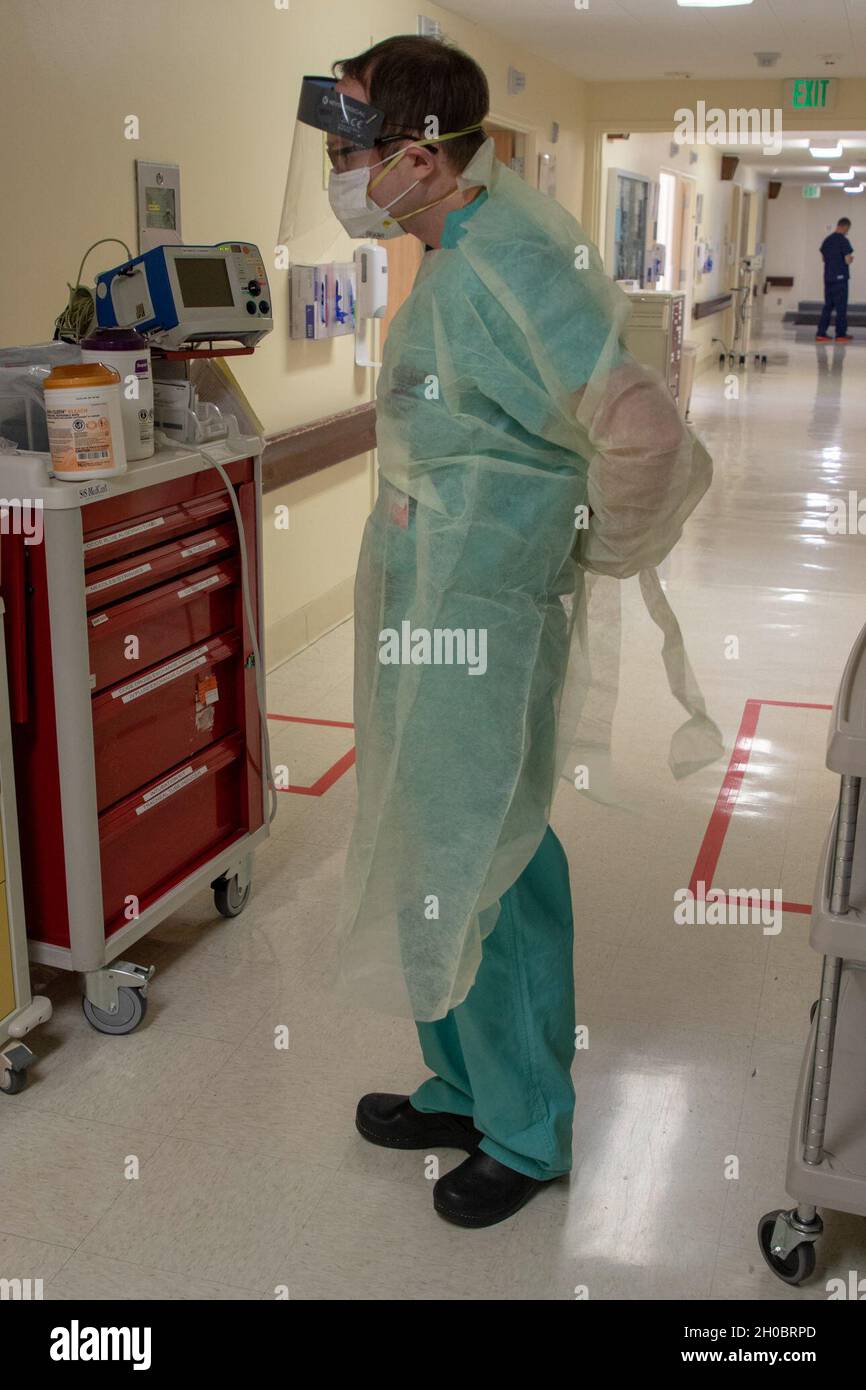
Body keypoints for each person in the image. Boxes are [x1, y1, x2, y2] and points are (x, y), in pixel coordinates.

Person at [288, 36, 712, 1228]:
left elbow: (645, 436)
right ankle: (464, 1083)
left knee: (496, 848)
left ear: (419, 159)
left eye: (348, 150)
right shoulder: (455, 242)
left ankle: (525, 1132)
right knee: (433, 837)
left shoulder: (514, 257)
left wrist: (583, 550)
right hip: (432, 601)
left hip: (481, 610)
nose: (339, 171)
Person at [816, 216, 854, 343]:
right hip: (840, 279)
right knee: (841, 307)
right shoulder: (843, 241)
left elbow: (823, 259)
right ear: (844, 227)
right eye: (847, 229)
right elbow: (847, 260)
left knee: (828, 306)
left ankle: (821, 333)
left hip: (828, 278)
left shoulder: (827, 240)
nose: (847, 232)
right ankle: (840, 335)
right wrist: (850, 260)